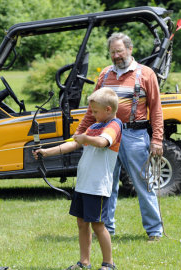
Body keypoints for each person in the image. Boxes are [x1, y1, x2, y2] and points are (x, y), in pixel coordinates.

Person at [75, 32, 164, 241]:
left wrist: (157, 139)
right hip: (106, 136)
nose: (116, 55)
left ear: (130, 50)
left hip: (135, 135)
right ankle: (107, 230)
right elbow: (92, 110)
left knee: (143, 183)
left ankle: (155, 231)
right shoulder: (105, 74)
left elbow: (156, 109)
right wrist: (80, 132)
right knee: (106, 185)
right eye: (112, 52)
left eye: (119, 51)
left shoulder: (146, 74)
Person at [33, 87, 121, 270]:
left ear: (108, 110)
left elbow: (103, 142)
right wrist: (46, 152)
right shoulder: (94, 126)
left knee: (98, 225)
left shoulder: (114, 125)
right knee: (82, 223)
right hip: (84, 184)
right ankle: (84, 262)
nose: (93, 114)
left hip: (98, 186)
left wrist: (84, 137)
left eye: (95, 111)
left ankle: (109, 263)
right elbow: (73, 144)